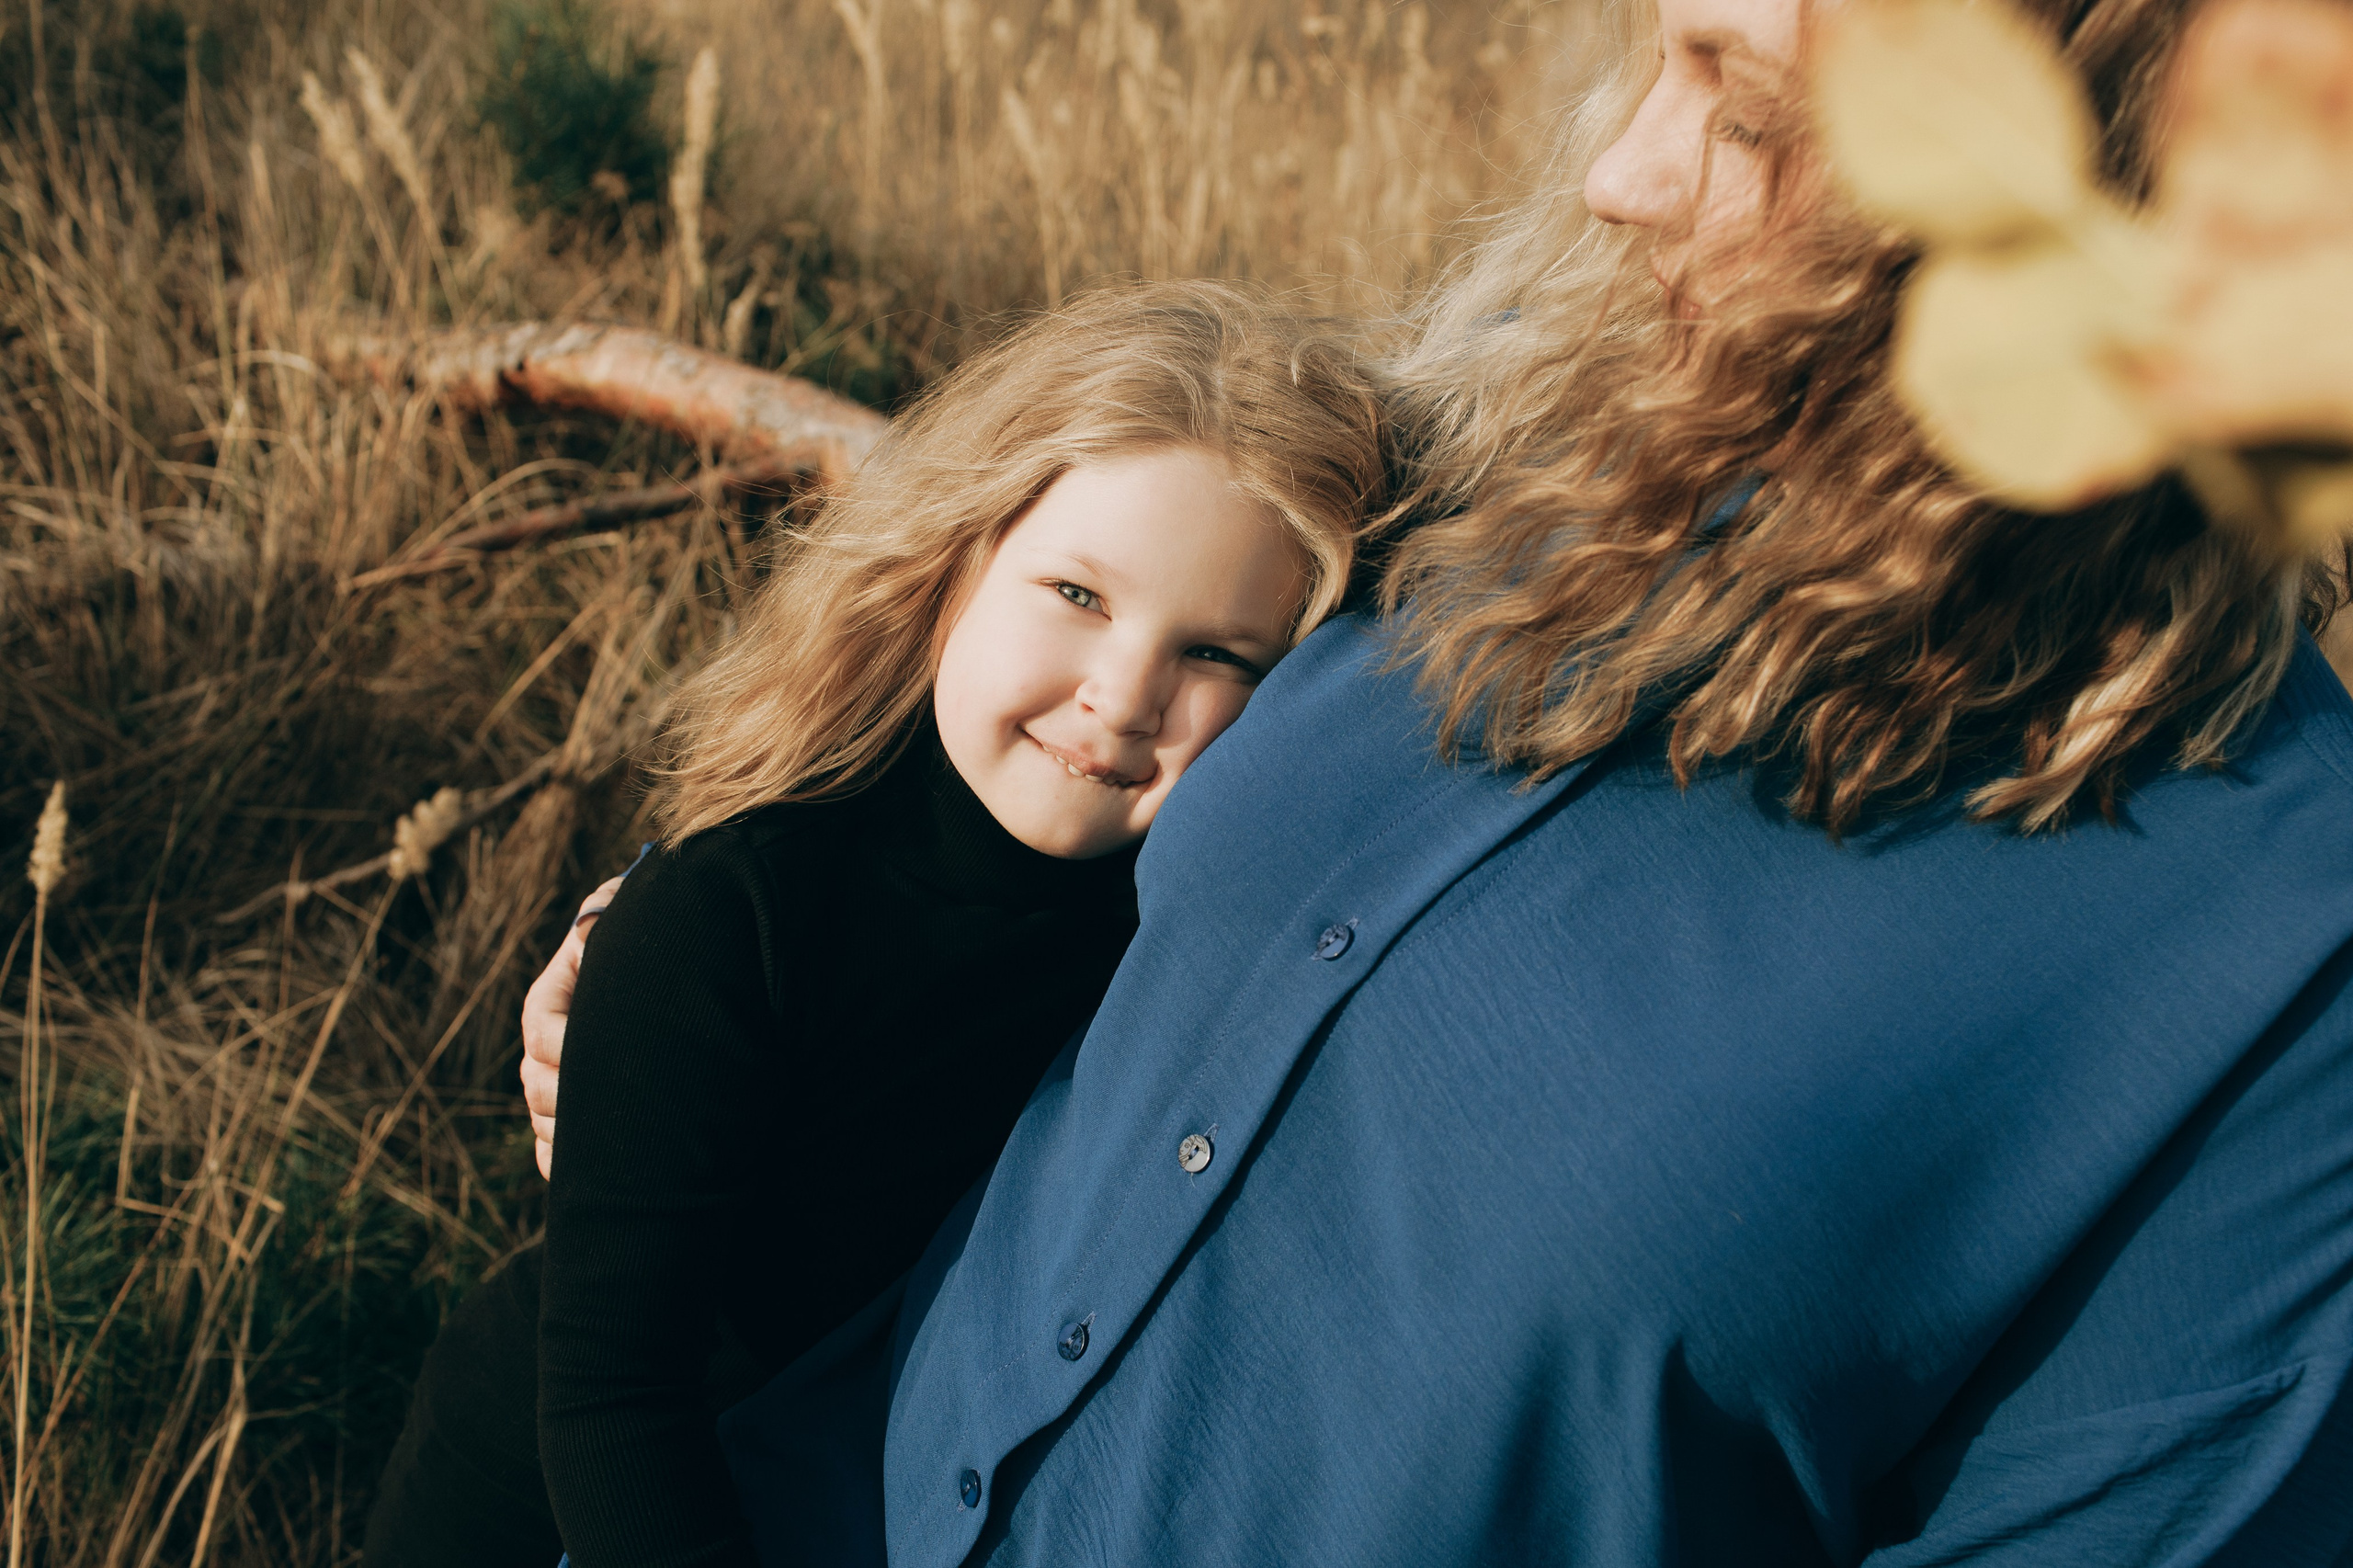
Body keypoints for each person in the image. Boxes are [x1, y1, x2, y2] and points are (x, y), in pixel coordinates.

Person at [521, 0, 2353, 1558]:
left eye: (1744, 111)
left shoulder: (2278, 989)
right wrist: (720, 968)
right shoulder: (1506, 444)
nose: (1618, 173)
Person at [358, 281, 1392, 1568]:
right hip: (575, 1496)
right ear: (954, 563)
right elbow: (615, 1401)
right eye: (1078, 594)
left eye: (1220, 655)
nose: (1126, 696)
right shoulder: (736, 905)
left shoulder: (1177, 923)